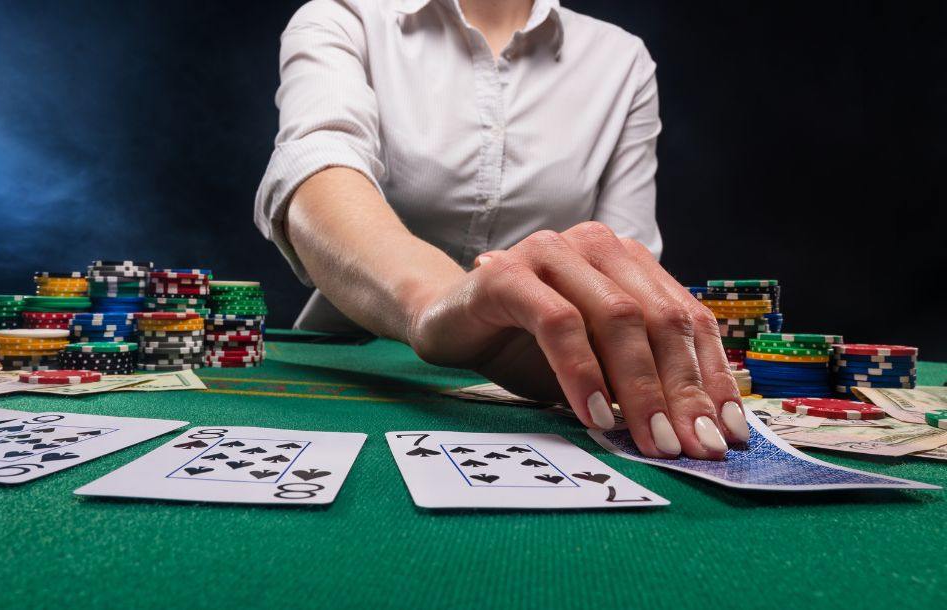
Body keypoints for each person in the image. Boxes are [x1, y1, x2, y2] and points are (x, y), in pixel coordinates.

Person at [255, 0, 748, 460]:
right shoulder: (343, 17)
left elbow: (620, 257)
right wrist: (439, 307)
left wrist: (619, 329)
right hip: (350, 370)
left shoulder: (622, 59)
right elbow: (316, 172)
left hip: (545, 379)